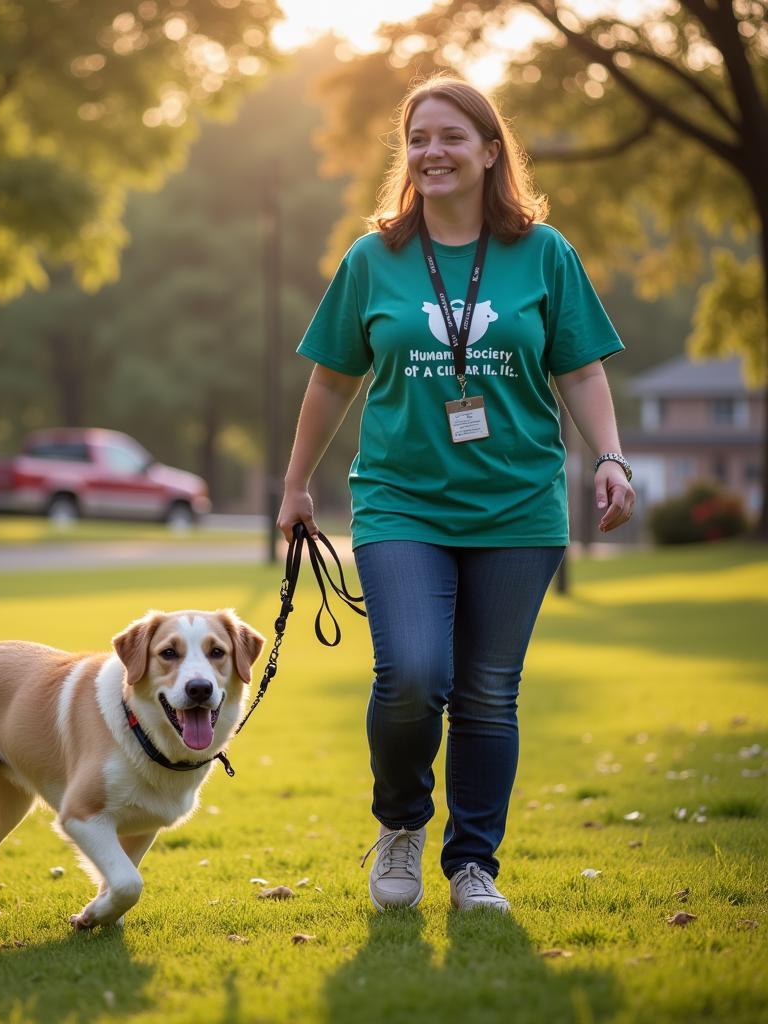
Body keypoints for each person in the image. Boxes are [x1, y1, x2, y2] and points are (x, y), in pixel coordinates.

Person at [276, 75, 636, 914]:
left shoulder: (543, 252)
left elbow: (580, 368)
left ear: (489, 151)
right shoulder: (375, 259)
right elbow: (331, 382)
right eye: (418, 138)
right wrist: (294, 483)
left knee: (486, 692)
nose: (431, 152)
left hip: (520, 506)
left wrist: (611, 457)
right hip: (403, 500)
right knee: (412, 674)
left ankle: (474, 866)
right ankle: (401, 826)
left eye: (451, 137)